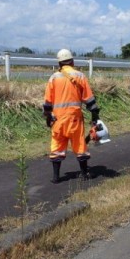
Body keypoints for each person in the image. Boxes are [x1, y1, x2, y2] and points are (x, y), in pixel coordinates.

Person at [43, 49, 100, 184]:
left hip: (58, 120)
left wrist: (48, 117)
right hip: (74, 119)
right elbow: (90, 100)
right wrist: (95, 116)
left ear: (59, 63)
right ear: (72, 62)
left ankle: (56, 177)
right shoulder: (80, 76)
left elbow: (47, 102)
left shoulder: (53, 78)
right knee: (80, 145)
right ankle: (85, 174)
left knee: (57, 146)